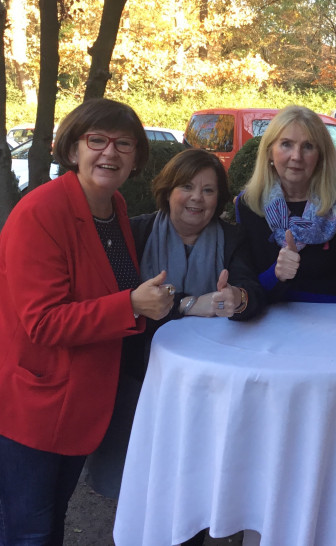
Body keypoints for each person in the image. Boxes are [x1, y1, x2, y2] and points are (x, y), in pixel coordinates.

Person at [0, 98, 174, 545]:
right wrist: (131, 305)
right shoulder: (40, 213)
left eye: (124, 144)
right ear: (72, 149)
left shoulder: (111, 207)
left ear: (136, 158)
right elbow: (42, 322)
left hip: (80, 400)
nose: (110, 153)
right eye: (97, 140)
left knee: (50, 522)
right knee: (29, 533)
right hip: (35, 405)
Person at [86, 149, 264, 506]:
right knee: (139, 485)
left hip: (208, 382)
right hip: (140, 377)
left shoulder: (232, 239)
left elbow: (251, 291)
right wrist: (187, 304)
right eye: (186, 186)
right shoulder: (134, 233)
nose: (197, 198)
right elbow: (125, 300)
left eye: (209, 190)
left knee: (193, 483)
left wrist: (238, 297)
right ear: (167, 190)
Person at [235, 105, 336, 303]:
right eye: (286, 144)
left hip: (334, 321)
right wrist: (276, 274)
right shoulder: (249, 205)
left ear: (320, 155)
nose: (296, 156)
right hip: (266, 326)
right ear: (270, 151)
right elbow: (244, 289)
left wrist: (279, 290)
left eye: (308, 146)